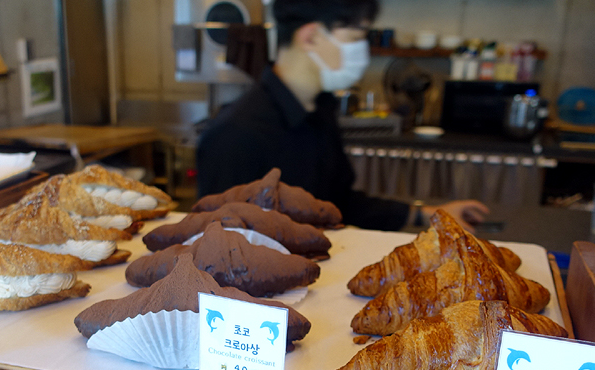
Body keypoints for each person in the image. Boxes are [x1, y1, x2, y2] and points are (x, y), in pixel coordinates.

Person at [196, 0, 488, 231]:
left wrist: (427, 214)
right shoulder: (235, 135)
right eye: (355, 38)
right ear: (311, 37)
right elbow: (220, 251)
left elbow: (338, 204)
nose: (362, 52)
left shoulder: (319, 111)